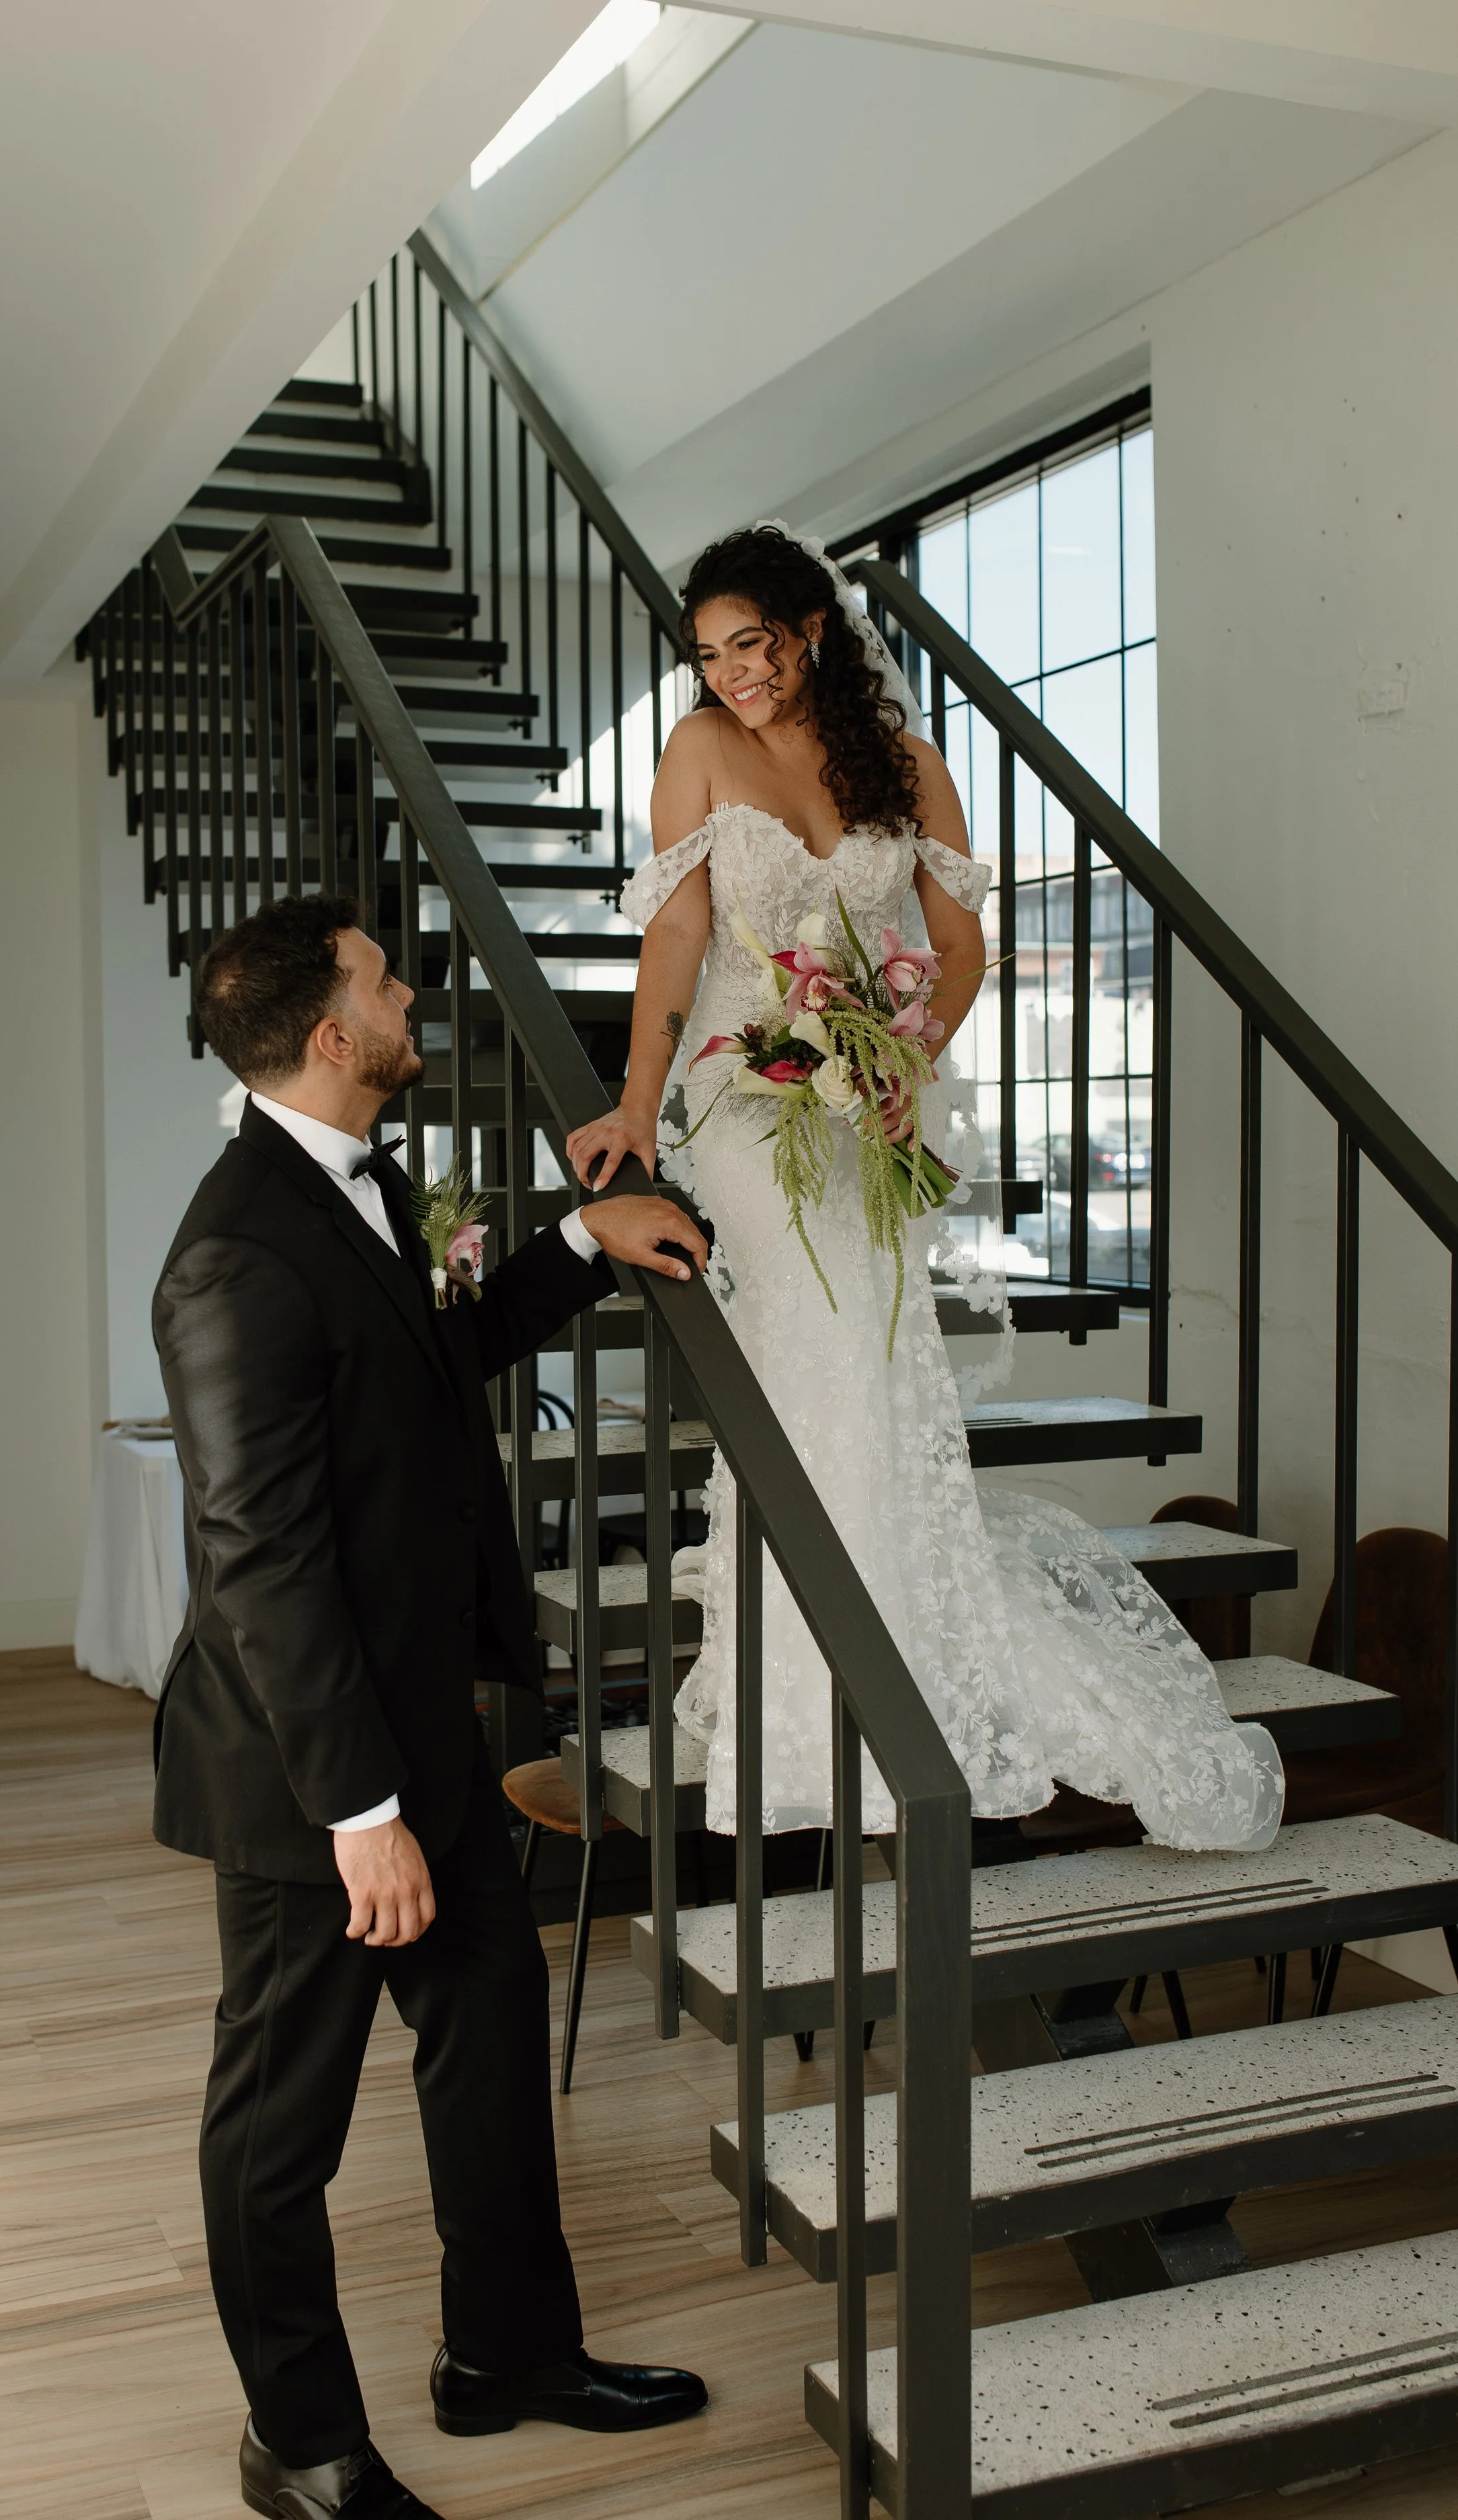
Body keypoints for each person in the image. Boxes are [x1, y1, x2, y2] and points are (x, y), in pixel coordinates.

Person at [567, 523, 1284, 1854]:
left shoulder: (903, 764)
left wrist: (899, 1059)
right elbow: (675, 934)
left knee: (875, 1359)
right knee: (827, 1342)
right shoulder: (698, 754)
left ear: (811, 634)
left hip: (855, 1095)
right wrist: (633, 1098)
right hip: (738, 1085)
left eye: (752, 646)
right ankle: (809, 1700)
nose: (731, 674)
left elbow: (958, 945)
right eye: (708, 654)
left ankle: (896, 1650)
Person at [153, 892, 710, 2520]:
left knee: (484, 2037)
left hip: (427, 1734)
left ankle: (507, 2357)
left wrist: (568, 1246)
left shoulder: (359, 1183)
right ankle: (301, 2441)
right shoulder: (234, 1253)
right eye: (386, 981)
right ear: (336, 1036)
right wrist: (358, 1814)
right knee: (279, 2125)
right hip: (309, 1781)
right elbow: (258, 1561)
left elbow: (424, 1352)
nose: (412, 994)